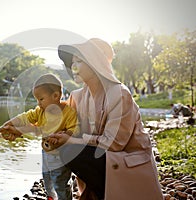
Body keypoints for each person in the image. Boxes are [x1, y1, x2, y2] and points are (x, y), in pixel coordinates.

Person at [47, 38, 163, 200]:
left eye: (79, 61)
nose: (73, 67)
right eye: (73, 63)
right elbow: (65, 124)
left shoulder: (119, 94)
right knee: (60, 146)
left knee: (71, 150)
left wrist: (73, 141)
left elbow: (114, 144)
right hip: (101, 159)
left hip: (125, 161)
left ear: (95, 63)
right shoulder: (77, 96)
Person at [0, 73, 79, 200]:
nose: (39, 103)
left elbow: (74, 129)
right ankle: (50, 197)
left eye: (41, 99)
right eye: (37, 100)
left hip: (61, 156)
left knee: (60, 182)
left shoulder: (68, 112)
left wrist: (63, 136)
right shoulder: (40, 111)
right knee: (47, 179)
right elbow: (25, 117)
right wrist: (9, 123)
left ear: (56, 96)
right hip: (46, 152)